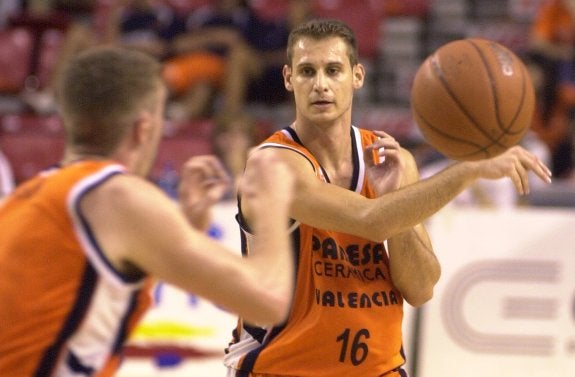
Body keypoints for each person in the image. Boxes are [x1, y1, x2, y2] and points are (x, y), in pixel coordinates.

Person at [222, 19, 552, 377]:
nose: (320, 84)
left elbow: (421, 287)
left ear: (357, 76)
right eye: (306, 71)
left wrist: (397, 198)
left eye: (333, 70)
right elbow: (370, 220)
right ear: (288, 79)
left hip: (380, 370)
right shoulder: (272, 164)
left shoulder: (388, 159)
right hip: (282, 370)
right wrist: (469, 168)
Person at [0, 46, 296, 376]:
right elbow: (269, 300)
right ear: (143, 128)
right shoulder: (116, 196)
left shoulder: (29, 196)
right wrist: (272, 204)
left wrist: (186, 226)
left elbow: (82, 294)